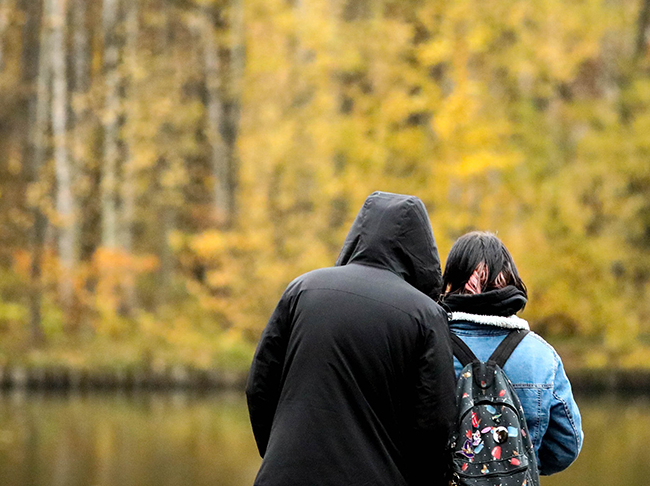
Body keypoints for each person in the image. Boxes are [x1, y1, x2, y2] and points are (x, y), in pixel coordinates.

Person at [246, 192, 457, 486]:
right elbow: (434, 424)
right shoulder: (425, 315)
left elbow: (259, 387)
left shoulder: (302, 290)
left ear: (358, 234)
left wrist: (277, 453)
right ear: (422, 250)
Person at [441, 231, 583, 477]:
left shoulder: (429, 346)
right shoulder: (541, 356)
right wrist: (515, 465)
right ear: (510, 282)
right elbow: (566, 445)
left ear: (452, 281)